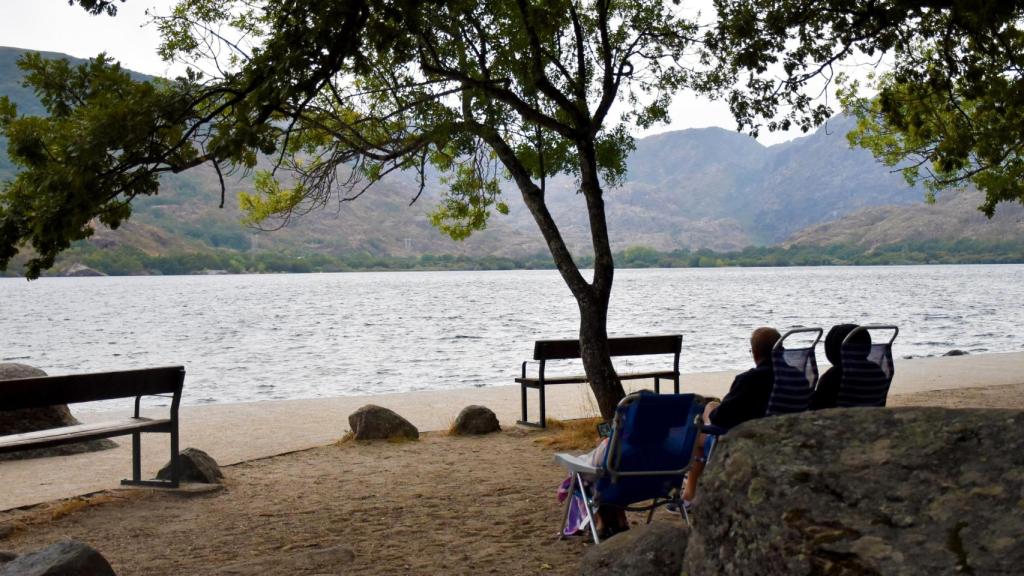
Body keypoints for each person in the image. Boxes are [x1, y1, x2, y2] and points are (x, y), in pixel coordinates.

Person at [682, 326, 781, 504]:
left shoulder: (749, 380)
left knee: (698, 434)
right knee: (711, 406)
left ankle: (689, 495)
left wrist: (709, 413)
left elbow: (720, 417)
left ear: (755, 353)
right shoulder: (794, 377)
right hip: (778, 437)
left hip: (742, 439)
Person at [809, 324, 873, 410]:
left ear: (831, 351)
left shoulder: (834, 376)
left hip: (840, 420)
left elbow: (819, 405)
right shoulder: (875, 370)